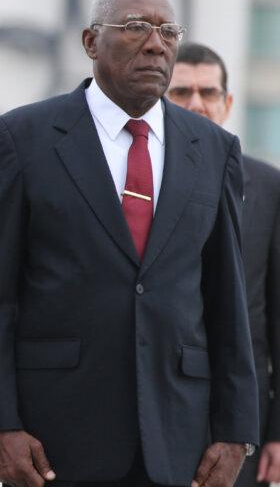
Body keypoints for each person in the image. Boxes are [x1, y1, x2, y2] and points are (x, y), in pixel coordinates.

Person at [0, 0, 258, 487]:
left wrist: (237, 432)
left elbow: (227, 298)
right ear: (91, 42)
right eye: (136, 27)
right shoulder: (19, 139)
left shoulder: (213, 150)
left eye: (168, 31)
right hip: (54, 437)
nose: (155, 43)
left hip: (179, 436)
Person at [167, 43, 280, 487]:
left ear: (227, 103)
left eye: (208, 92)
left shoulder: (269, 187)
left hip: (240, 419)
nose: (196, 103)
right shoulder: (135, 180)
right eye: (181, 92)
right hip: (157, 405)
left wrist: (277, 433)